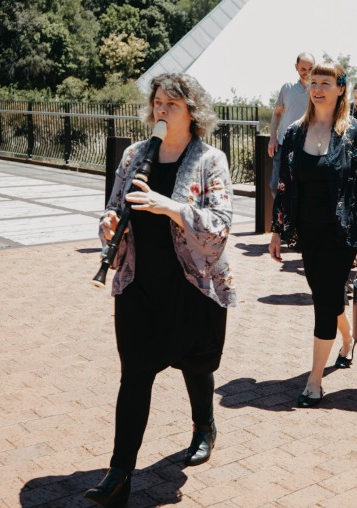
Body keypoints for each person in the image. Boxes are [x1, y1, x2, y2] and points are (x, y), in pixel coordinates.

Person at [86, 73, 236, 508]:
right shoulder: (135, 154)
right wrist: (108, 225)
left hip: (191, 285)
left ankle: (204, 426)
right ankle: (119, 474)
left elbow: (220, 225)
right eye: (158, 103)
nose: (162, 110)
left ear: (193, 111)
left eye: (172, 103)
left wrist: (169, 206)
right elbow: (114, 206)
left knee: (195, 364)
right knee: (134, 375)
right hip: (140, 283)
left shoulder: (210, 160)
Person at [269, 60, 357, 408]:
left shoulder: (356, 133)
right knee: (324, 293)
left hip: (343, 230)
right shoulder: (295, 132)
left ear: (341, 88)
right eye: (314, 82)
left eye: (326, 82)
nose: (318, 88)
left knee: (324, 299)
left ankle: (314, 381)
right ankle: (348, 338)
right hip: (307, 230)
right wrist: (277, 231)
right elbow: (285, 184)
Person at [268, 53, 316, 195]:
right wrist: (272, 138)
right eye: (303, 69)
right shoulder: (287, 88)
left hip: (308, 146)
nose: (307, 72)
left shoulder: (317, 90)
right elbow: (277, 113)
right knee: (275, 186)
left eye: (310, 69)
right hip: (283, 144)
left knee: (301, 188)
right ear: (296, 67)